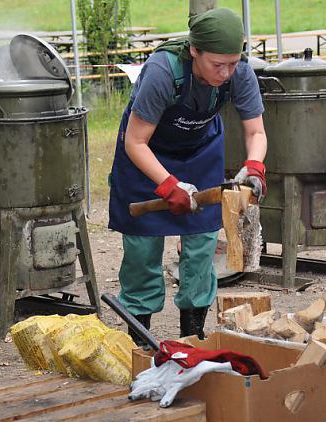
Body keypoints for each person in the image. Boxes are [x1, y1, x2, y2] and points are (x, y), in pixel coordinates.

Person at [108, 8, 267, 345]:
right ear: (195, 51)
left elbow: (256, 132)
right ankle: (139, 341)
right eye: (216, 65)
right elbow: (135, 142)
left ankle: (192, 337)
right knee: (142, 248)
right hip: (146, 154)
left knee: (201, 245)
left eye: (233, 63)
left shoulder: (239, 73)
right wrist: (168, 185)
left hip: (199, 153)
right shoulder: (162, 73)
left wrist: (254, 167)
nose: (225, 73)